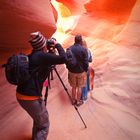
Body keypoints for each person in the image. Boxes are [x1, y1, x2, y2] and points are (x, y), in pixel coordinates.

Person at [16, 31, 66, 140]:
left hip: (21, 94)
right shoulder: (42, 56)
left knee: (38, 120)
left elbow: (47, 63)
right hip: (30, 97)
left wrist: (50, 52)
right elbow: (64, 58)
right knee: (44, 125)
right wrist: (57, 44)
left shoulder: (34, 56)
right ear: (42, 45)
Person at [66, 34, 89, 106]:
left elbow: (66, 60)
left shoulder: (69, 48)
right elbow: (86, 62)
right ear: (80, 41)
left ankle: (73, 100)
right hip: (81, 71)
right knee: (79, 87)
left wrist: (68, 68)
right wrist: (85, 70)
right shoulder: (84, 49)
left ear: (75, 40)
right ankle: (78, 101)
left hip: (72, 71)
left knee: (73, 87)